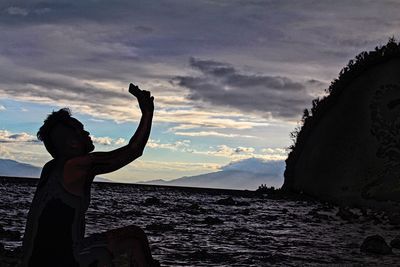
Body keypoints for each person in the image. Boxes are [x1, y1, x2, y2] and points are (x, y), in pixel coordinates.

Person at [21, 84, 158, 266]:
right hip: (60, 260)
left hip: (35, 260)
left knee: (129, 237)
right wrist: (147, 113)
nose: (87, 133)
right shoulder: (78, 165)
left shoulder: (50, 168)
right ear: (72, 144)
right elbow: (133, 150)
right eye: (81, 131)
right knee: (134, 240)